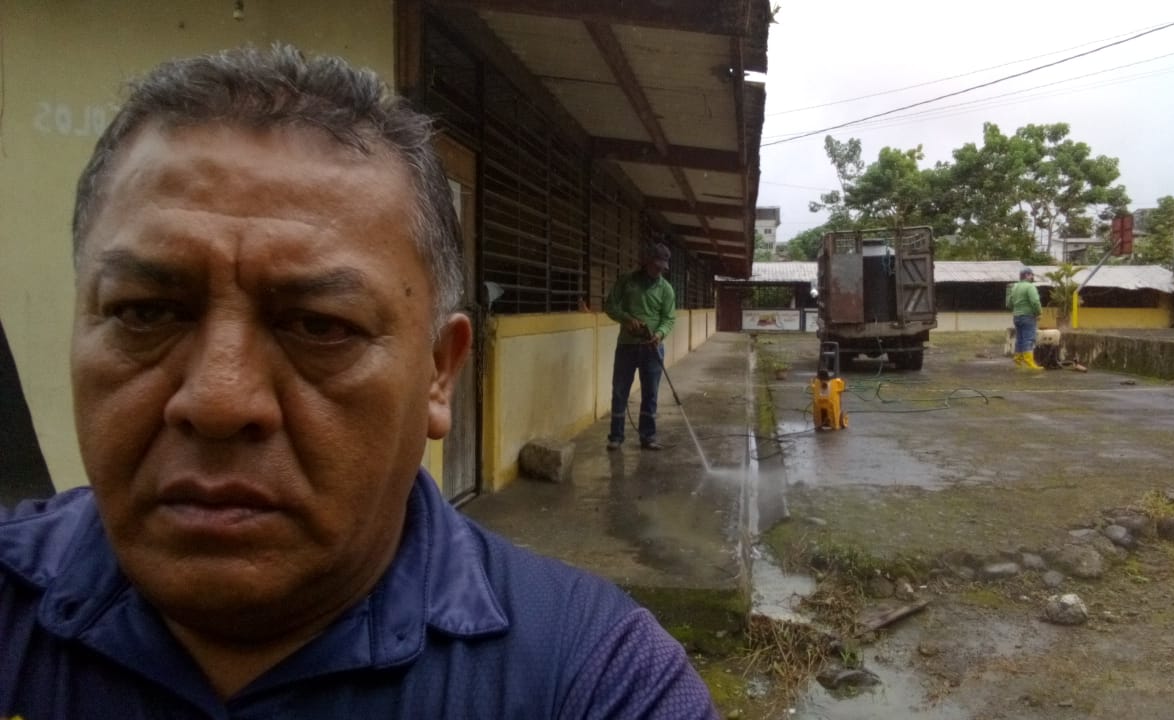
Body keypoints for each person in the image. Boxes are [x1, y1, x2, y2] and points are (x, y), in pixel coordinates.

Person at [0, 45, 717, 719]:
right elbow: (619, 303)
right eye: (145, 313)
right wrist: (629, 318)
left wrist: (657, 327)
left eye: (320, 326)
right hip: (629, 342)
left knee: (646, 403)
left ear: (439, 371)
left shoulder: (594, 681)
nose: (218, 401)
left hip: (648, 347)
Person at [603, 244, 677, 451]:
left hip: (652, 349)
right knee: (620, 392)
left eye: (662, 267)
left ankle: (648, 437)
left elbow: (669, 318)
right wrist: (626, 319)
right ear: (646, 261)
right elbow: (610, 306)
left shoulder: (666, 289)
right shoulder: (627, 281)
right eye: (656, 265)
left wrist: (659, 334)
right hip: (626, 346)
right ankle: (616, 436)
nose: (659, 270)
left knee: (650, 394)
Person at [1007, 267, 1044, 370]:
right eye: (1031, 275)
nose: (1032, 277)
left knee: (1020, 338)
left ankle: (1018, 359)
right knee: (1029, 339)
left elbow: (1009, 303)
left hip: (1016, 317)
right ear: (1027, 275)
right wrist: (1039, 312)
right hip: (1028, 316)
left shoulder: (1015, 287)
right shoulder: (1030, 287)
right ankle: (1029, 362)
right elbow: (1035, 301)